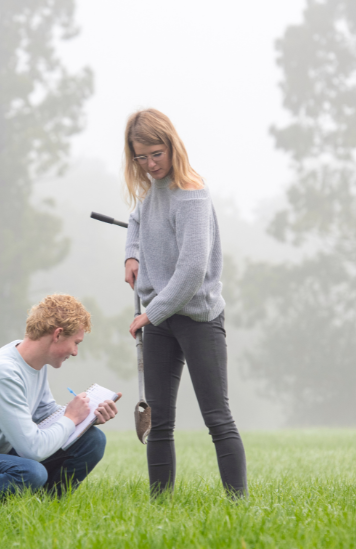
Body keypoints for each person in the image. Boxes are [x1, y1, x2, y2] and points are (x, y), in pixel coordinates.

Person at [122, 108, 247, 498]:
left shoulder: (191, 194)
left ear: (172, 146)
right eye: (140, 158)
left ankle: (238, 505)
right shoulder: (151, 191)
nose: (150, 164)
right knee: (158, 422)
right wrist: (131, 255)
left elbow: (193, 270)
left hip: (197, 318)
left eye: (156, 154)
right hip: (159, 319)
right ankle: (160, 506)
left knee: (217, 417)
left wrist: (150, 314)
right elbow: (137, 221)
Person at [0, 294, 119, 502]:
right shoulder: (3, 372)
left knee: (93, 440)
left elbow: (45, 415)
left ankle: (43, 510)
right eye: (76, 343)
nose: (75, 352)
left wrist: (88, 417)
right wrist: (71, 418)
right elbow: (33, 449)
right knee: (32, 472)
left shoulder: (34, 363)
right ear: (58, 334)